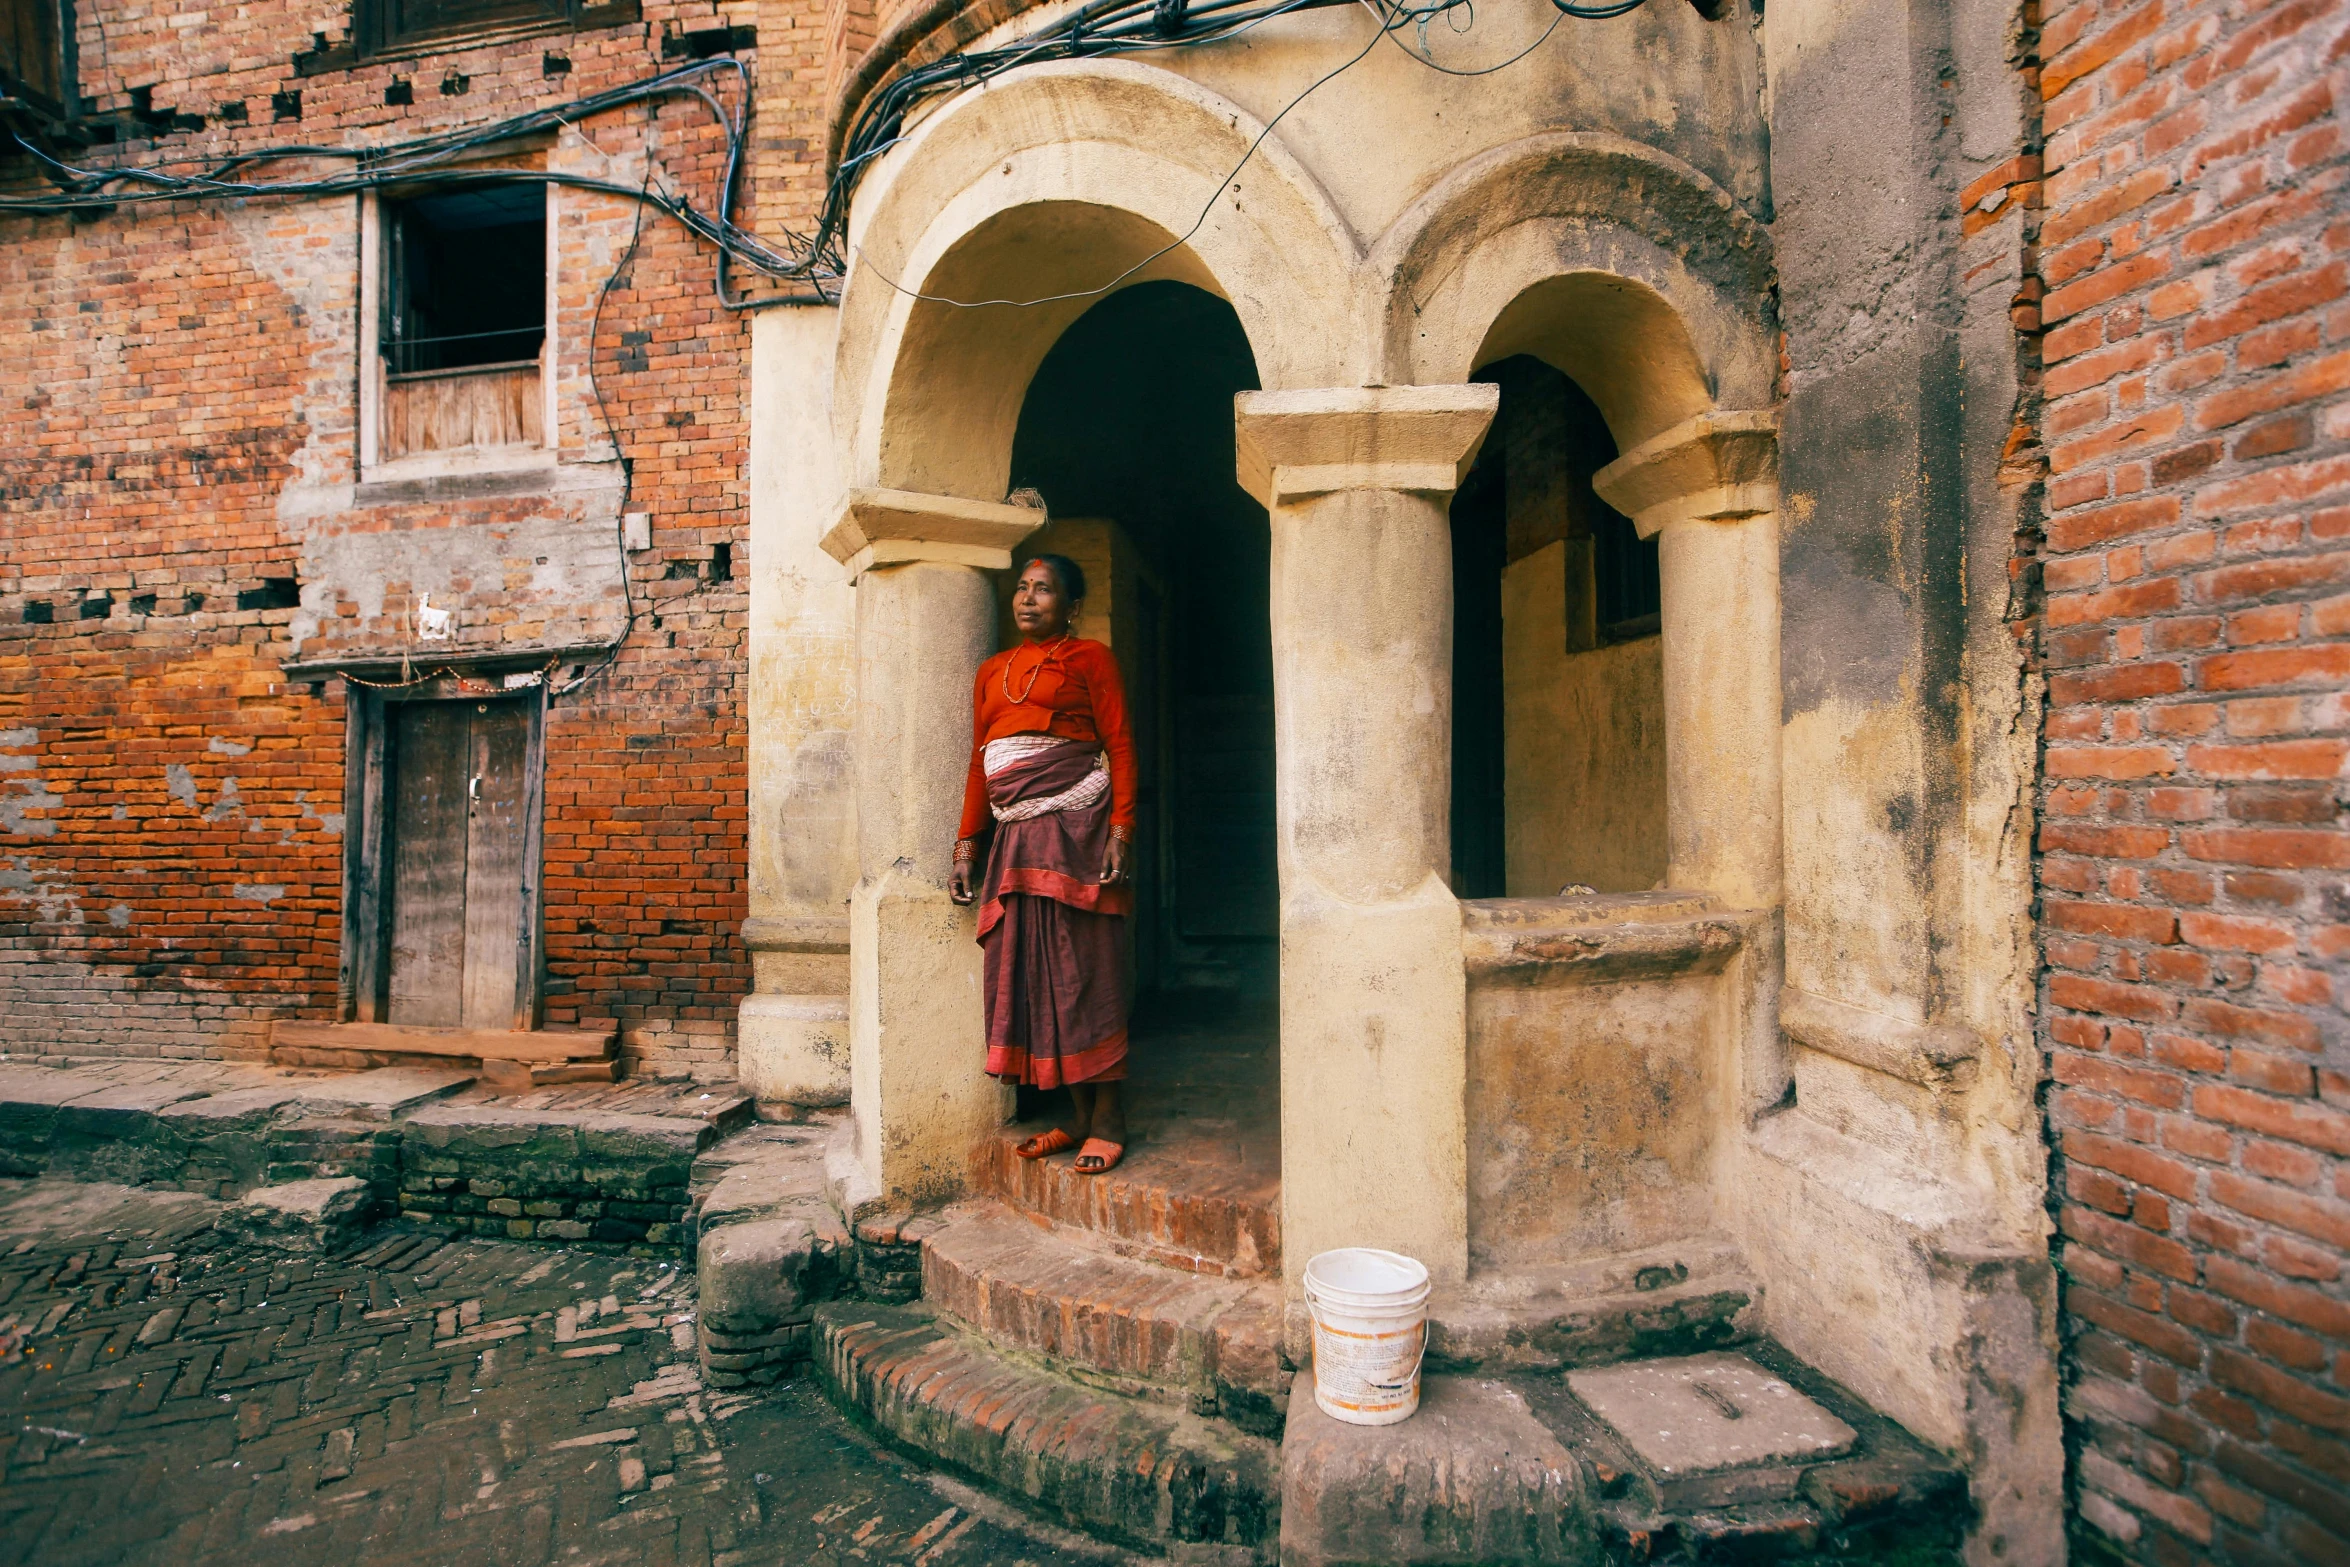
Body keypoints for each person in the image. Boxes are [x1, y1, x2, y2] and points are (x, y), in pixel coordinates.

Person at [948, 553, 1136, 1174]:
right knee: (1034, 974)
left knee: (1082, 969)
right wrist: (966, 846)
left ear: (1071, 605)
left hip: (1077, 832)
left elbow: (1121, 745)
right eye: (1022, 588)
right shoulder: (993, 671)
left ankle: (1108, 1116)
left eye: (1045, 589)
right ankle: (1074, 1115)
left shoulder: (1090, 660)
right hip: (1015, 842)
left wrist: (1121, 832)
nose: (1028, 598)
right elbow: (982, 762)